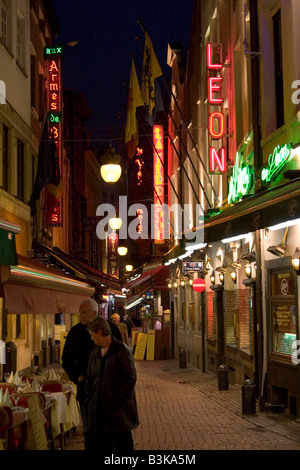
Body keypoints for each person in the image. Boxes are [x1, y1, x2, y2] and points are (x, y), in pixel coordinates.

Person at [61, 298, 121, 448]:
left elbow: (121, 359)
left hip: (109, 392)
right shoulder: (75, 332)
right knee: (89, 432)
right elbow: (66, 359)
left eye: (84, 313)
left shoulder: (111, 329)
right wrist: (78, 378)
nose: (81, 316)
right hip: (86, 390)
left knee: (109, 431)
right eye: (80, 312)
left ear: (95, 313)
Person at [85, 317, 139, 451]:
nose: (91, 339)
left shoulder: (121, 350)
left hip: (118, 414)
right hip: (98, 412)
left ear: (99, 332)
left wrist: (116, 400)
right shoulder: (94, 352)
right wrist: (89, 399)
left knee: (122, 446)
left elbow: (130, 378)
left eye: (92, 335)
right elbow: (90, 378)